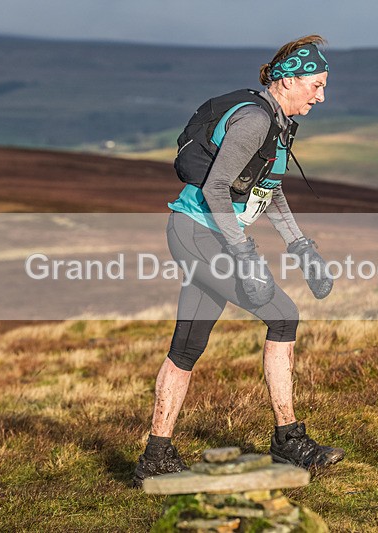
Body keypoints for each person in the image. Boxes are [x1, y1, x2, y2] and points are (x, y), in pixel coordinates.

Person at [133, 35, 344, 488]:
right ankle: (288, 441)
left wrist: (301, 247)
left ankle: (156, 456)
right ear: (288, 80)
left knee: (187, 347)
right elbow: (215, 189)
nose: (321, 96)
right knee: (283, 315)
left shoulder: (279, 124)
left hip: (204, 235)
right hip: (198, 234)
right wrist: (244, 255)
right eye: (317, 85)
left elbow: (270, 190)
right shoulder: (255, 120)